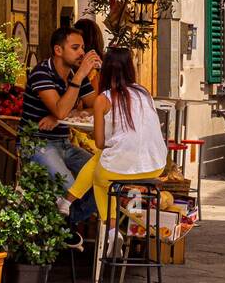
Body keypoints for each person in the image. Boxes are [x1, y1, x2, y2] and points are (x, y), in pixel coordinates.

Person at [63, 47, 167, 230]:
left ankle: (109, 228)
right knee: (100, 160)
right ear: (130, 69)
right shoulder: (145, 94)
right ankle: (67, 202)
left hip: (122, 169)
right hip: (156, 166)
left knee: (99, 177)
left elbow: (100, 143)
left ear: (105, 70)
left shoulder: (103, 99)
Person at [20, 27, 99, 221]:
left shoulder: (74, 73)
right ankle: (64, 227)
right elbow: (60, 109)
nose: (82, 52)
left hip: (64, 143)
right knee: (72, 188)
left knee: (103, 177)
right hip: (37, 143)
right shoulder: (41, 73)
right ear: (58, 50)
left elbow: (98, 107)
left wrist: (62, 116)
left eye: (82, 47)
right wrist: (80, 77)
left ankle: (66, 225)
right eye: (75, 47)